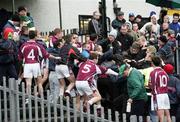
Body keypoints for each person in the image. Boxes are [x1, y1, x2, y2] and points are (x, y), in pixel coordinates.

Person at [18, 30, 59, 97]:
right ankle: (41, 98)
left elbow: (20, 57)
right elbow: (46, 55)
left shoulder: (24, 45)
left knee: (28, 83)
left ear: (28, 36)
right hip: (35, 64)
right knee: (39, 83)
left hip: (27, 64)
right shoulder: (38, 45)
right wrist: (55, 57)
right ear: (35, 36)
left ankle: (28, 99)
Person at [148, 56, 171, 122]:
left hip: (158, 95)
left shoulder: (153, 72)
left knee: (161, 117)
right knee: (168, 117)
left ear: (152, 63)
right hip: (165, 94)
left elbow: (153, 85)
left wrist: (149, 85)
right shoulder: (164, 71)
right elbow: (167, 79)